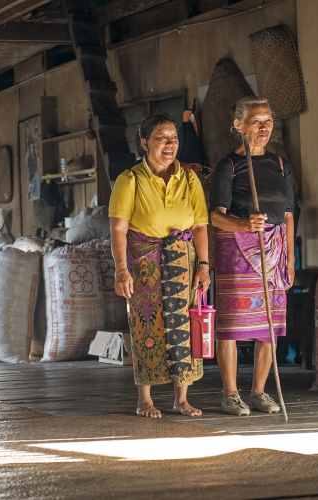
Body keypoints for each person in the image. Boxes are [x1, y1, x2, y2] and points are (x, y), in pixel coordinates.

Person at [109, 114, 211, 419]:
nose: (170, 145)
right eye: (161, 138)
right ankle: (145, 399)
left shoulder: (190, 178)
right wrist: (120, 269)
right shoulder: (130, 180)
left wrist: (204, 265)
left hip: (183, 259)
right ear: (144, 142)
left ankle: (182, 398)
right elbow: (118, 229)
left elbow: (202, 226)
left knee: (184, 325)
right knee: (147, 325)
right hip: (144, 262)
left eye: (174, 138)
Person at [209, 97, 295, 416]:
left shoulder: (281, 165)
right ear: (238, 125)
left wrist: (289, 261)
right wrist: (244, 223)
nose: (264, 127)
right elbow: (215, 217)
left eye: (268, 120)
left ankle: (259, 391)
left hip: (274, 250)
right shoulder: (228, 166)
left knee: (268, 327)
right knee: (232, 325)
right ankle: (230, 393)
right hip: (237, 251)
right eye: (256, 121)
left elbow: (287, 215)